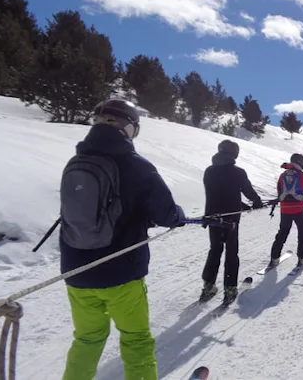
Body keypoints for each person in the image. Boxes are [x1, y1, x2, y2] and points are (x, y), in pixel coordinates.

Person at [59, 99, 186, 380]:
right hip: (121, 272)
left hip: (76, 271)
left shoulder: (76, 162)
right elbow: (166, 213)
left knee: (87, 338)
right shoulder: (136, 165)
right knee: (136, 338)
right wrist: (177, 216)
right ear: (128, 128)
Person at [200, 139, 264, 304]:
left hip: (213, 217)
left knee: (214, 251)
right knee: (231, 252)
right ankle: (230, 288)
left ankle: (208, 286)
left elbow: (220, 193)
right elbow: (247, 190)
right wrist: (256, 202)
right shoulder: (238, 172)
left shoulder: (209, 171)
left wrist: (241, 205)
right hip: (231, 220)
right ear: (234, 154)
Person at [269, 153, 303, 268]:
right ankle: (302, 258)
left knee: (282, 233)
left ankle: (274, 258)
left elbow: (279, 191)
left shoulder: (282, 175)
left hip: (285, 210)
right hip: (299, 210)